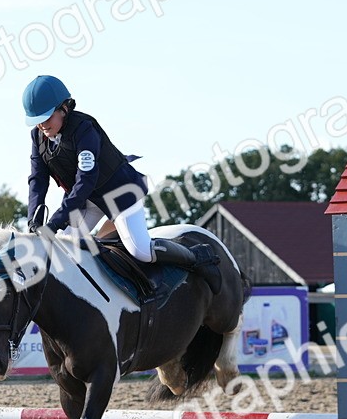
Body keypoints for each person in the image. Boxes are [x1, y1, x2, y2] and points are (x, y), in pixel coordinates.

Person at [22, 74, 209, 272]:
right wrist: (34, 219)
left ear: (64, 109)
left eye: (47, 117)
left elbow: (85, 180)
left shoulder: (84, 129)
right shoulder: (38, 136)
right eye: (37, 121)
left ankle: (196, 258)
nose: (42, 125)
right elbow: (38, 179)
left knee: (141, 250)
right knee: (62, 251)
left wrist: (55, 222)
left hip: (118, 194)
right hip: (86, 201)